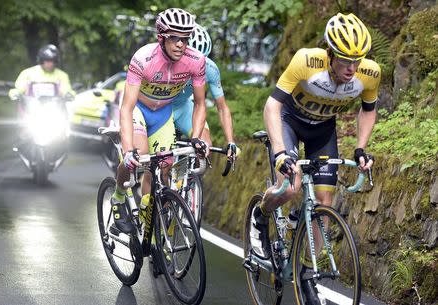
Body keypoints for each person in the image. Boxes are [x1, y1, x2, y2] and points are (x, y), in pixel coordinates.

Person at [250, 13, 380, 304]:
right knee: (291, 186)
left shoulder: (369, 73)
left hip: (322, 130)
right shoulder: (306, 61)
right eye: (345, 60)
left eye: (358, 60)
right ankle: (261, 214)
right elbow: (272, 106)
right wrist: (281, 152)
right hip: (289, 121)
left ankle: (307, 274)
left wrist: (360, 148)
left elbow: (369, 109)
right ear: (330, 53)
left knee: (325, 203)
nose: (352, 67)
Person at [110, 8, 208, 234]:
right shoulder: (143, 58)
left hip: (164, 114)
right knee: (139, 159)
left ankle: (148, 218)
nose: (181, 44)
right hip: (139, 111)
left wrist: (195, 137)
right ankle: (118, 196)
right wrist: (128, 151)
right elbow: (127, 107)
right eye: (175, 38)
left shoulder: (196, 61)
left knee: (165, 167)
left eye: (185, 39)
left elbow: (201, 104)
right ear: (162, 38)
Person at [172, 23, 238, 160]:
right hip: (162, 108)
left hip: (184, 107)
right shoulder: (168, 62)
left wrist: (231, 141)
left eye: (200, 61)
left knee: (205, 145)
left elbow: (222, 108)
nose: (195, 66)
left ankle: (190, 179)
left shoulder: (210, 69)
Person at [9, 44, 74, 102]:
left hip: (55, 109)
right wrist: (15, 93)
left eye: (53, 61)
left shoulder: (62, 75)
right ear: (42, 60)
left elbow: (65, 88)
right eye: (47, 61)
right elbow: (19, 88)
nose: (50, 64)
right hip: (32, 108)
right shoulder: (28, 73)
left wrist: (68, 94)